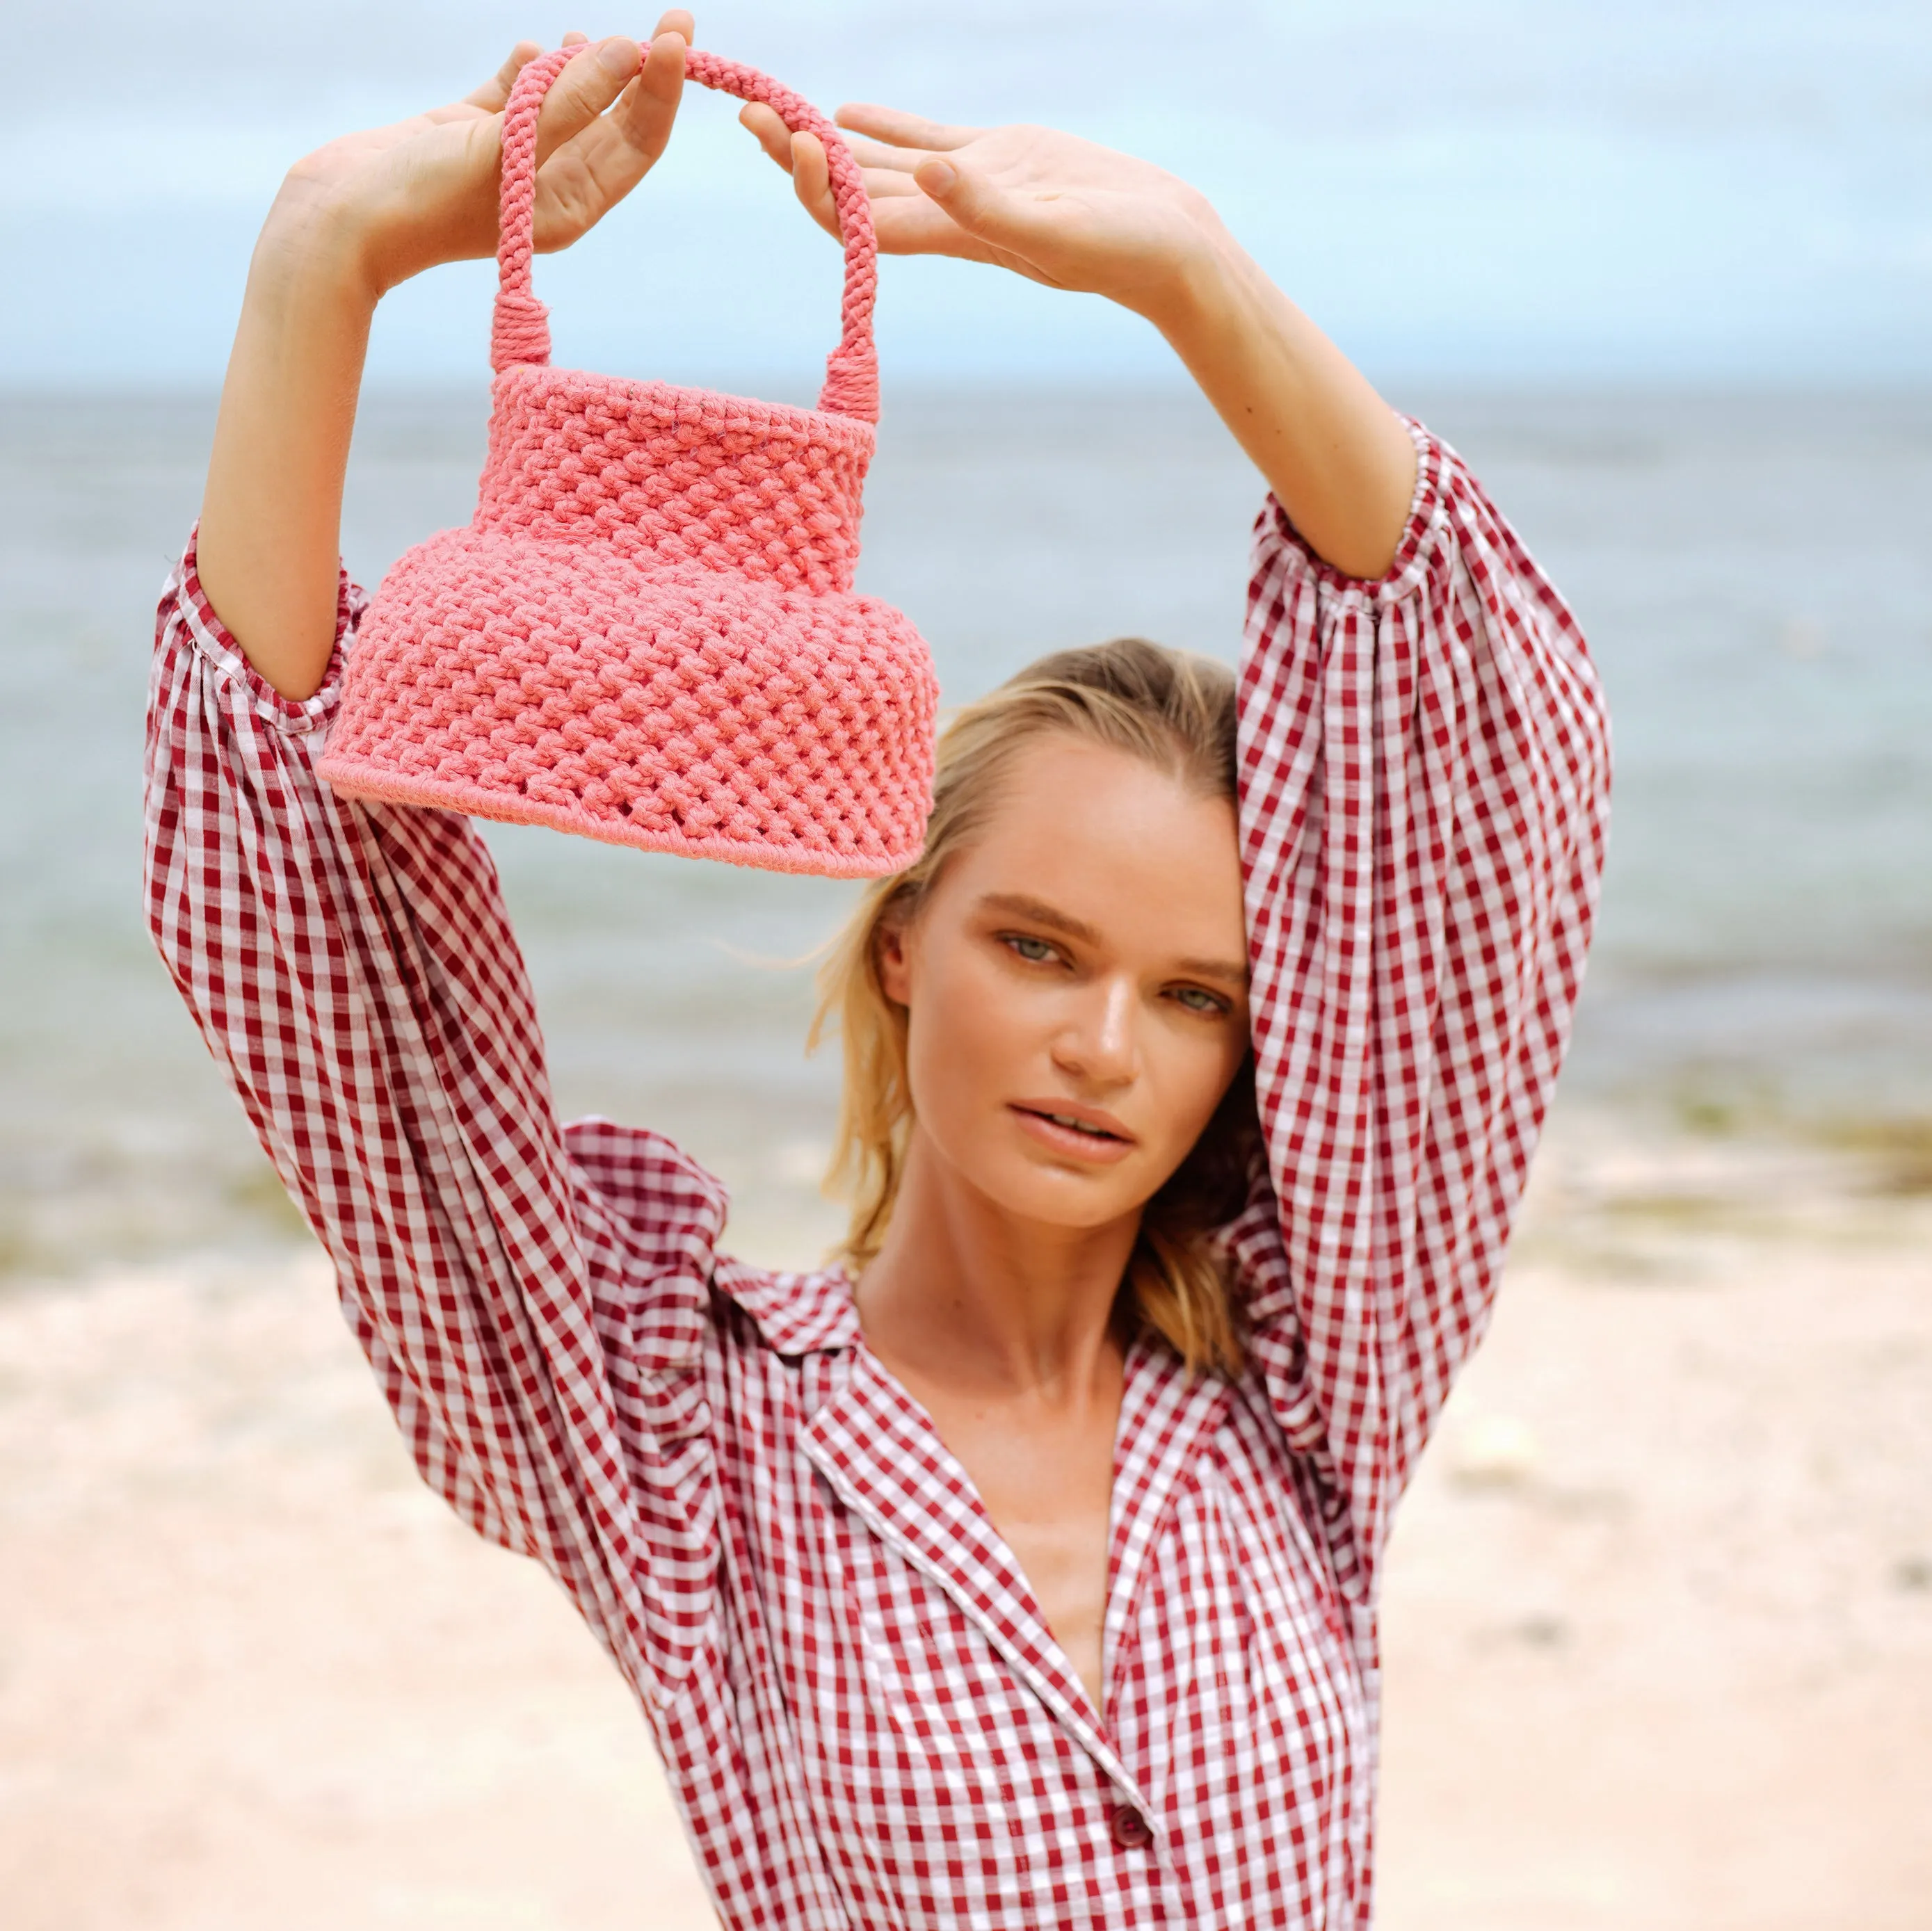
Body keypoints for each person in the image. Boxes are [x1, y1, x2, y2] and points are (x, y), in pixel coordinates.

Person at [145, 15, 1611, 1927]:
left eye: (1196, 996)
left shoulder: (1310, 1379)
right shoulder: (683, 1431)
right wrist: (321, 252)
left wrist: (1192, 275)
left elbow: (1486, 789)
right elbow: (328, 968)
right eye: (1038, 944)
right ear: (905, 937)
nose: (1104, 1047)